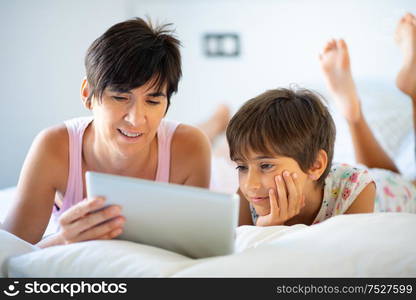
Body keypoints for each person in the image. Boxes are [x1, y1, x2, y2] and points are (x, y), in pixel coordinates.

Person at [3, 18, 211, 247]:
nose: (135, 119)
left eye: (152, 101)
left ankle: (217, 121)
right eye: (120, 98)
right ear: (87, 94)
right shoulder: (53, 146)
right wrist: (62, 240)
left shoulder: (192, 147)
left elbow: (195, 249)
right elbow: (11, 254)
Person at [225, 13, 416, 226]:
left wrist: (269, 232)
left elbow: (343, 256)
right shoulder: (248, 197)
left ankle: (411, 90)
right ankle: (353, 114)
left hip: (392, 191)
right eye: (242, 167)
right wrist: (265, 228)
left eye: (266, 165)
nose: (250, 185)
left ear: (316, 165)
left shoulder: (356, 191)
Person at [319, 12, 416, 214]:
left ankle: (354, 117)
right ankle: (354, 115)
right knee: (403, 188)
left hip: (370, 186)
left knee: (397, 187)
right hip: (378, 187)